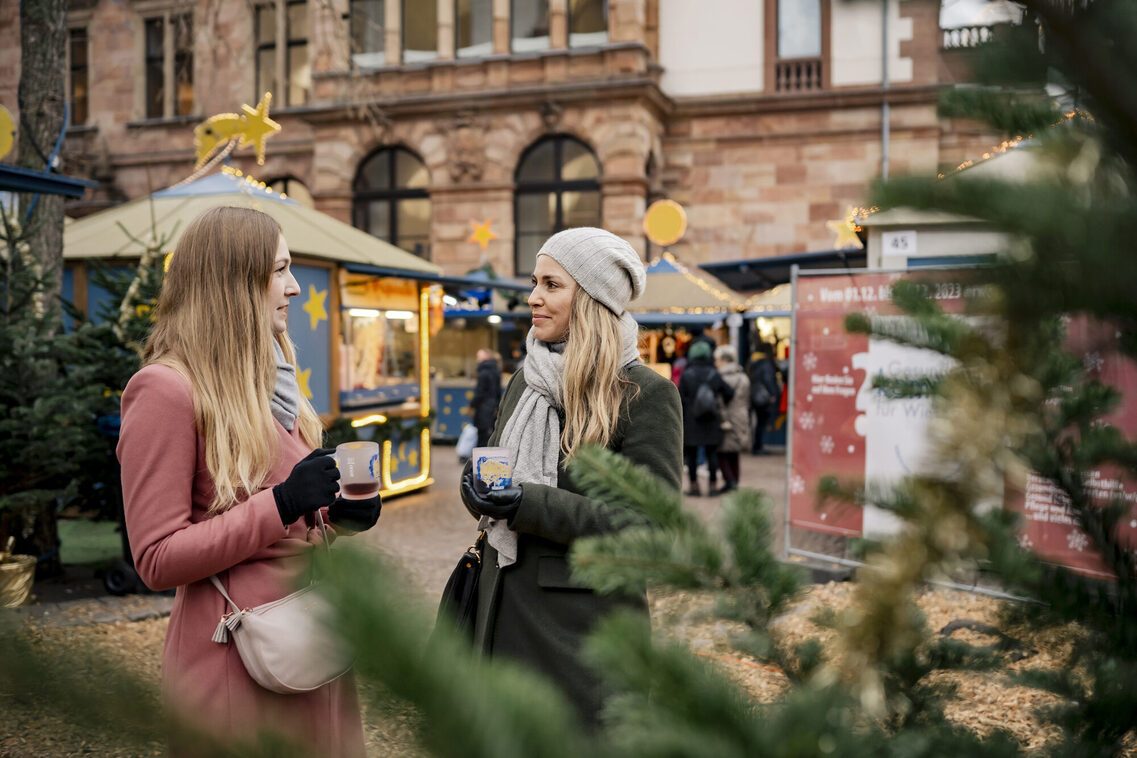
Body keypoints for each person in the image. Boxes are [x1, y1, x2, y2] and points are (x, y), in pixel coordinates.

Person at [117, 207, 379, 757]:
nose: (292, 288)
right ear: (235, 281)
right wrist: (281, 503)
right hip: (240, 657)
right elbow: (156, 558)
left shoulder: (273, 378)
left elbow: (290, 513)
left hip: (313, 640)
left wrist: (337, 516)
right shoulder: (166, 390)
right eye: (280, 270)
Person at [458, 227, 682, 728]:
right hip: (500, 610)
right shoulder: (527, 377)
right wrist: (478, 491)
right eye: (535, 283)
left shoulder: (645, 394)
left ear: (592, 297)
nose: (533, 298)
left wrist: (527, 504)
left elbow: (651, 528)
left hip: (583, 636)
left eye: (551, 285)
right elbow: (497, 467)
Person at [678, 340, 734, 496]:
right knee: (712, 454)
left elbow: (680, 398)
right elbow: (729, 392)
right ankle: (713, 486)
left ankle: (694, 487)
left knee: (692, 455)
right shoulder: (714, 374)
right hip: (711, 418)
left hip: (691, 420)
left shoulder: (687, 374)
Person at [713, 344, 750, 494]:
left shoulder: (721, 377)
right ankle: (735, 479)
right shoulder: (743, 377)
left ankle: (730, 481)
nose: (716, 362)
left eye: (718, 359)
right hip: (741, 415)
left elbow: (719, 401)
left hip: (726, 417)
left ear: (724, 360)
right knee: (735, 451)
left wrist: (722, 418)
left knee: (722, 450)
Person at [748, 344, 781, 454]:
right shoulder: (765, 363)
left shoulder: (752, 362)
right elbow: (768, 379)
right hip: (763, 396)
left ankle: (756, 446)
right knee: (762, 423)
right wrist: (773, 394)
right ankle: (759, 447)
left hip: (754, 395)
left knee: (757, 422)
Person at [469, 348, 502, 447]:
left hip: (483, 408)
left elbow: (480, 393)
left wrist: (471, 405)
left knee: (482, 436)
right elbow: (497, 391)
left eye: (478, 356)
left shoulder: (483, 372)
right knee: (490, 435)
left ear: (486, 357)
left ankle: (480, 460)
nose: (477, 359)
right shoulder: (496, 370)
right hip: (492, 407)